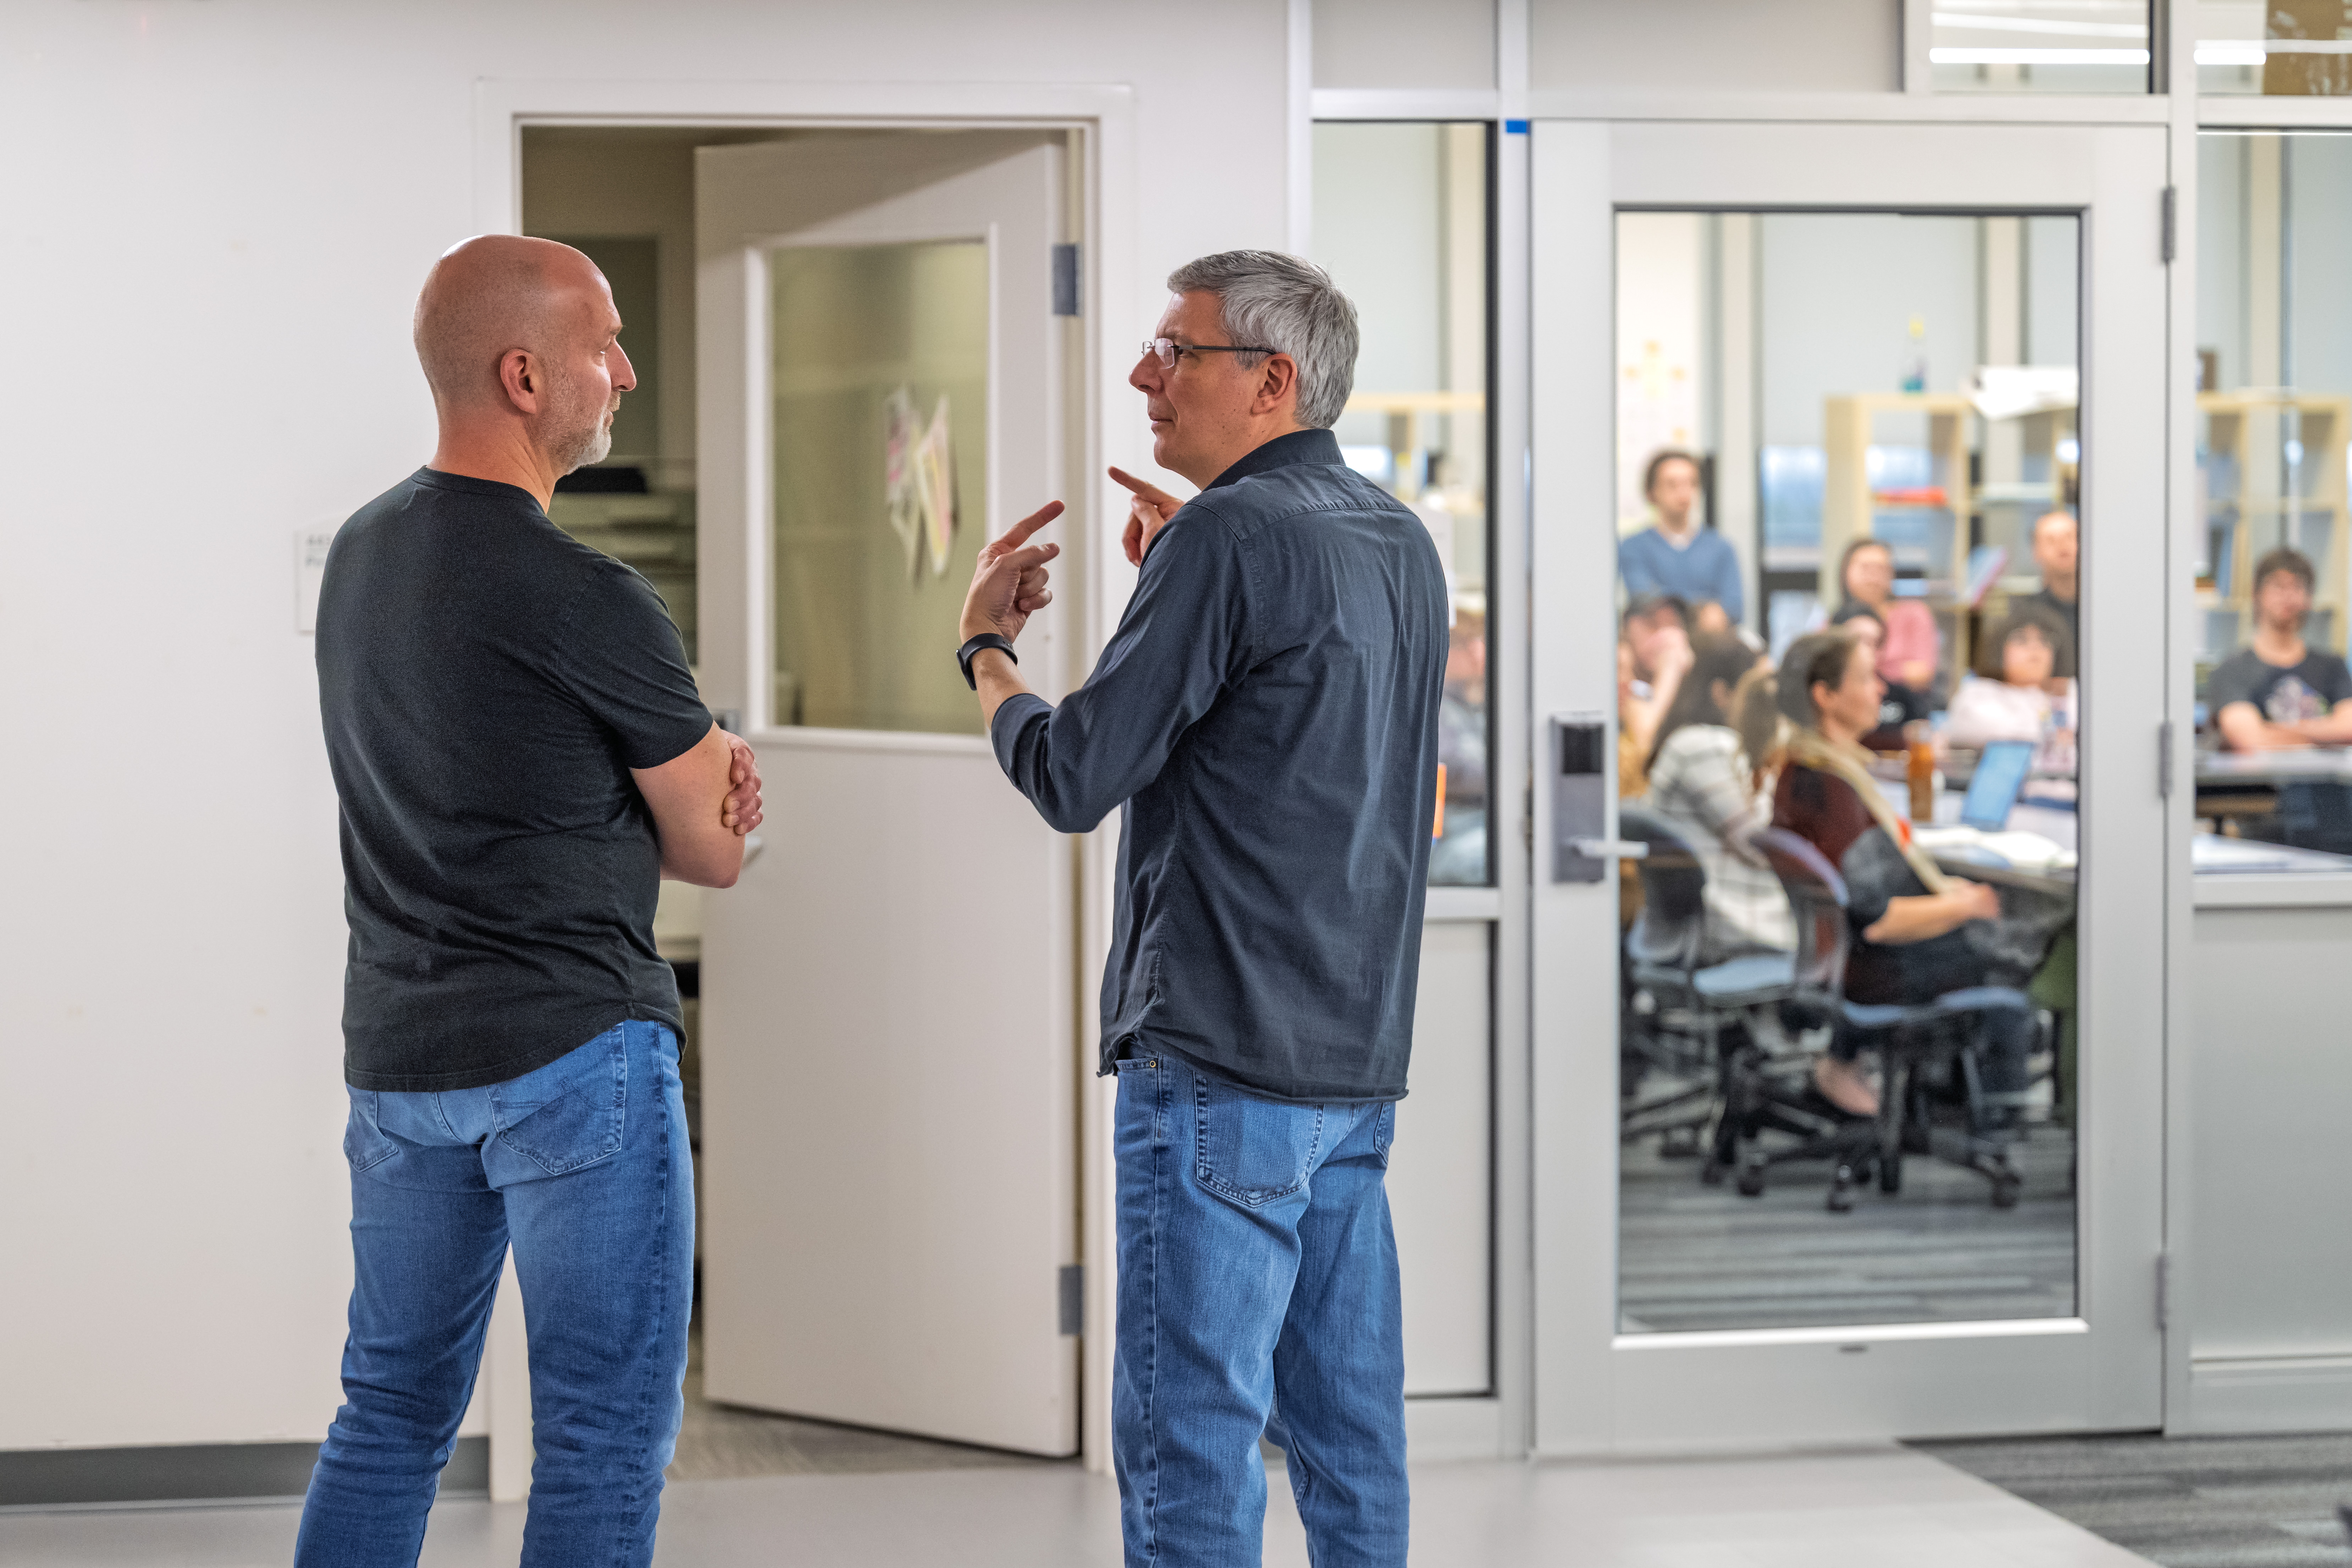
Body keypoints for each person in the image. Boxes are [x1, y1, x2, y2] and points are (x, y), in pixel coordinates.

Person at [955, 251, 1444, 1567]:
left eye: (1175, 351)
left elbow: (1072, 772)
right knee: (1348, 1431)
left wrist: (984, 652)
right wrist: (1187, 585)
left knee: (1190, 1435)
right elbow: (1307, 743)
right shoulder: (1396, 539)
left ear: (1270, 380)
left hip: (1219, 1059)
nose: (1141, 374)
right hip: (1348, 1068)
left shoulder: (1229, 537)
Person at [301, 236, 762, 1567]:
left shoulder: (363, 557)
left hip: (400, 1063)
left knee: (386, 1412)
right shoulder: (591, 598)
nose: (623, 372)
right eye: (602, 345)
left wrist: (659, 780)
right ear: (521, 374)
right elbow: (711, 851)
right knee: (606, 1437)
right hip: (574, 1062)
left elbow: (477, 774)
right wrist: (709, 772)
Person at [1770, 630, 2032, 1125]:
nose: (1881, 691)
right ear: (1824, 696)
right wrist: (1965, 905)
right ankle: (1996, 1127)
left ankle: (1914, 1094)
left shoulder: (1806, 770)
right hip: (1876, 972)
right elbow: (1881, 921)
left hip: (1843, 964)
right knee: (2017, 953)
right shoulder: (1833, 791)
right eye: (1867, 678)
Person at [1640, 635, 1793, 961]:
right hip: (1735, 923)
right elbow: (1757, 845)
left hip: (1718, 920)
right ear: (1722, 694)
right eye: (1760, 691)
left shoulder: (1700, 743)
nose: (1772, 704)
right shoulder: (1704, 747)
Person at [2210, 546, 2352, 751]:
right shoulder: (2232, 670)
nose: (2288, 597)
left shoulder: (2333, 667)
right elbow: (2249, 739)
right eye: (2278, 586)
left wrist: (2272, 731)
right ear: (2256, 593)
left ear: (2309, 597)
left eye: (2297, 587)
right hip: (2260, 783)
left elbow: (2348, 729)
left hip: (2325, 783)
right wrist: (2326, 734)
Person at [1940, 603, 2077, 783]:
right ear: (1999, 649)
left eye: (2045, 641)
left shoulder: (2071, 694)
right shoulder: (1978, 694)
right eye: (2022, 641)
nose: (2035, 649)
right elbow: (1996, 731)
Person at [1619, 449, 1744, 633]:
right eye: (1672, 485)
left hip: (1713, 641)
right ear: (1652, 492)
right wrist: (1702, 610)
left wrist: (1678, 606)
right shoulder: (1633, 547)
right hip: (1658, 640)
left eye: (1690, 484)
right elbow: (1646, 599)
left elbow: (1734, 608)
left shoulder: (1721, 547)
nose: (1683, 492)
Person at [1836, 537, 1938, 716]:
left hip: (1903, 713)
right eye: (1866, 568)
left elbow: (1923, 673)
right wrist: (1897, 668)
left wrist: (1867, 670)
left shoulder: (1914, 613)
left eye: (1881, 569)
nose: (1874, 578)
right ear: (1846, 572)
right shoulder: (1834, 620)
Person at [1433, 607, 1489, 884]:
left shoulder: (1478, 706)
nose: (1479, 652)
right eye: (1467, 644)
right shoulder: (1436, 707)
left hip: (1481, 824)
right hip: (1448, 836)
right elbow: (1450, 768)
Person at [1619, 593, 1693, 797]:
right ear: (1628, 627)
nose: (1665, 637)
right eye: (1652, 624)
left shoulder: (1691, 686)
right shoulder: (1619, 670)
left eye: (1673, 626)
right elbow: (1643, 737)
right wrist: (1670, 668)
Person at [2021, 508, 2080, 678]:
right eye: (2051, 540)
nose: (2063, 546)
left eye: (2071, 537)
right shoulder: (2029, 615)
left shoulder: (2104, 608)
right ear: (2036, 553)